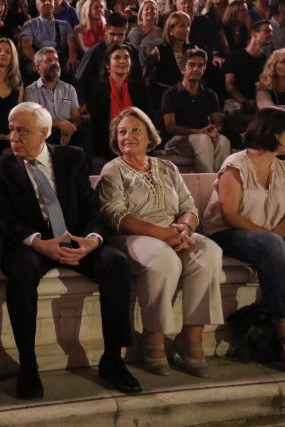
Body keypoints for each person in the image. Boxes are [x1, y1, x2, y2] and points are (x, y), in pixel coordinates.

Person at [0, 101, 141, 399]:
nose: (13, 137)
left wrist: (92, 240)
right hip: (34, 244)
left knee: (116, 262)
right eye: (11, 130)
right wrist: (39, 243)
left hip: (75, 238)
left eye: (22, 131)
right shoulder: (2, 168)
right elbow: (6, 222)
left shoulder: (72, 157)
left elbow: (91, 208)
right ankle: (28, 365)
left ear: (44, 132)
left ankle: (113, 359)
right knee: (20, 268)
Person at [95, 106, 224, 378]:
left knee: (209, 251)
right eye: (122, 132)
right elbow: (115, 215)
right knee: (163, 259)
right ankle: (153, 337)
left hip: (172, 231)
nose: (127, 136)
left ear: (149, 137)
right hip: (131, 236)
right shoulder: (112, 170)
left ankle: (191, 337)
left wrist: (184, 228)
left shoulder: (167, 167)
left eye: (135, 130)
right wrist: (163, 234)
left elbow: (189, 207)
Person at [203, 106, 285, 376]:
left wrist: (277, 238)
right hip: (230, 232)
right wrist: (272, 239)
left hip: (272, 234)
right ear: (272, 132)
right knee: (270, 245)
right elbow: (230, 214)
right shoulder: (236, 164)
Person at [162, 47, 231, 173]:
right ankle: (207, 182)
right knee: (203, 140)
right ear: (183, 69)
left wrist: (214, 131)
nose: (196, 69)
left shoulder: (210, 94)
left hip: (203, 137)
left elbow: (218, 122)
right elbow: (170, 126)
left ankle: (219, 181)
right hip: (178, 140)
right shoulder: (170, 94)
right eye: (191, 65)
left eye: (200, 66)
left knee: (223, 141)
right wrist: (197, 132)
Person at [24, 47, 92, 162]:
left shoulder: (69, 89)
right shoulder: (31, 91)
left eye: (56, 60)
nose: (54, 63)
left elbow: (76, 117)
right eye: (48, 61)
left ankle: (85, 172)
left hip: (66, 131)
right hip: (45, 132)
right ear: (37, 67)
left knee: (84, 133)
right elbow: (34, 120)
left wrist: (69, 130)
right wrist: (58, 123)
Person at [87, 43, 152, 159]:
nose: (123, 61)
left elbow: (147, 117)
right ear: (108, 64)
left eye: (126, 58)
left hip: (136, 136)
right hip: (109, 138)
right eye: (117, 58)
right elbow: (98, 122)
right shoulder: (97, 89)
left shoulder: (140, 88)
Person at [75, 10, 142, 107]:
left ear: (126, 31)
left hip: (127, 102)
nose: (116, 39)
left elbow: (138, 79)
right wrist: (83, 104)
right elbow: (78, 81)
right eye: (113, 34)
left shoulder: (132, 51)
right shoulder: (94, 52)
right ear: (106, 30)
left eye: (120, 35)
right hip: (99, 103)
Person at [223, 19, 271, 137]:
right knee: (233, 110)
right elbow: (229, 85)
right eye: (267, 31)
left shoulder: (267, 60)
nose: (270, 34)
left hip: (258, 99)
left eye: (271, 32)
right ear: (254, 34)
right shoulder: (235, 56)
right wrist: (245, 101)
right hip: (236, 99)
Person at [20, 0, 79, 80]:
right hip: (38, 58)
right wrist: (38, 61)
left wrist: (72, 57)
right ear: (37, 6)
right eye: (43, 1)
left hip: (59, 58)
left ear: (54, 5)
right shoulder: (30, 24)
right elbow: (26, 46)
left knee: (75, 68)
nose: (47, 2)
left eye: (50, 0)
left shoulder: (65, 25)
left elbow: (72, 43)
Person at [148, 11, 194, 107]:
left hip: (188, 98)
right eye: (182, 26)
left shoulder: (193, 50)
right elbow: (147, 77)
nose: (187, 29)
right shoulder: (158, 51)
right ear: (171, 30)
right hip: (163, 98)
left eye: (188, 26)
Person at [126, 0, 163, 68]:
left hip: (160, 67)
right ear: (141, 14)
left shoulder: (161, 31)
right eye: (147, 9)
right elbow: (132, 52)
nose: (150, 11)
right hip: (142, 68)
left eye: (153, 9)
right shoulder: (135, 31)